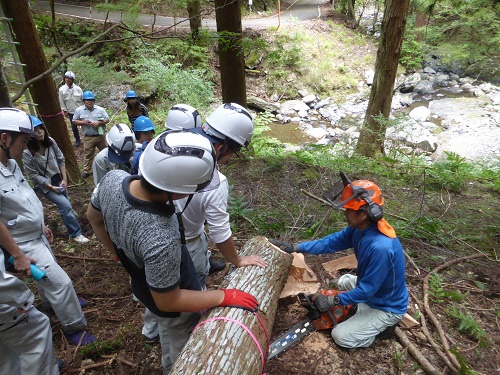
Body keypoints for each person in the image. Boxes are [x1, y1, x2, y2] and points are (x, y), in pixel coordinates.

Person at [87, 130, 259, 373]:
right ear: (178, 188)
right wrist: (223, 296)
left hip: (144, 282)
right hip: (170, 302)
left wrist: (119, 253)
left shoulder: (113, 179)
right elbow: (169, 300)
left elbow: (93, 217)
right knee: (179, 342)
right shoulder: (161, 235)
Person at [139, 103, 268, 344]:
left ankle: (150, 331)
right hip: (186, 245)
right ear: (223, 147)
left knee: (155, 286)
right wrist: (237, 260)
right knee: (184, 302)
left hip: (147, 238)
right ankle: (179, 353)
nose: (230, 158)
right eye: (234, 152)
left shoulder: (165, 144)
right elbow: (219, 231)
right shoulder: (215, 180)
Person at [271, 173, 408, 349]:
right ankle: (358, 307)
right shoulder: (359, 229)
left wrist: (334, 302)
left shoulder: (381, 247)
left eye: (349, 209)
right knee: (342, 282)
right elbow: (331, 242)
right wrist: (296, 247)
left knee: (340, 336)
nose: (345, 212)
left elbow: (367, 290)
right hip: (372, 288)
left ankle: (381, 328)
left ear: (364, 214)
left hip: (385, 305)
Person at [0, 108, 96, 346]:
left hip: (35, 235)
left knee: (51, 279)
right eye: (23, 141)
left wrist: (42, 225)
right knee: (60, 283)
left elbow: (23, 198)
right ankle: (75, 327)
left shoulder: (11, 164)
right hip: (20, 243)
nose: (26, 147)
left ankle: (53, 305)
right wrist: (17, 254)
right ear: (4, 138)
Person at [22, 116, 89, 244]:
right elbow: (33, 175)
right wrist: (51, 187)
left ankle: (70, 227)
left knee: (65, 205)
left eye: (41, 129)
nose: (40, 132)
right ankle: (76, 233)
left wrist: (64, 179)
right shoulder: (27, 153)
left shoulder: (51, 142)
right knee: (65, 205)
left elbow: (60, 159)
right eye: (35, 130)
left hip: (58, 178)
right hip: (44, 184)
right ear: (29, 134)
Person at [0, 256, 59, 375]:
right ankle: (43, 366)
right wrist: (22, 299)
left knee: (4, 357)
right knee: (36, 334)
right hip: (5, 306)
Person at [72, 91, 110, 179]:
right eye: (88, 100)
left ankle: (108, 167)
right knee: (88, 154)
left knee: (105, 152)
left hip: (100, 136)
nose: (90, 102)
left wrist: (99, 122)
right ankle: (87, 170)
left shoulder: (100, 109)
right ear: (84, 101)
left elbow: (107, 119)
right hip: (88, 137)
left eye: (92, 100)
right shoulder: (79, 110)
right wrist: (83, 122)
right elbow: (74, 121)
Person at [58, 70, 83, 147]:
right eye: (66, 78)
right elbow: (61, 101)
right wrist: (64, 111)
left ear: (72, 79)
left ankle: (87, 137)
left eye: (69, 78)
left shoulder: (78, 89)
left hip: (80, 110)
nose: (67, 80)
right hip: (70, 111)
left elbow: (83, 99)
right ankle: (78, 140)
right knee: (74, 127)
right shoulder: (61, 90)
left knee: (85, 124)